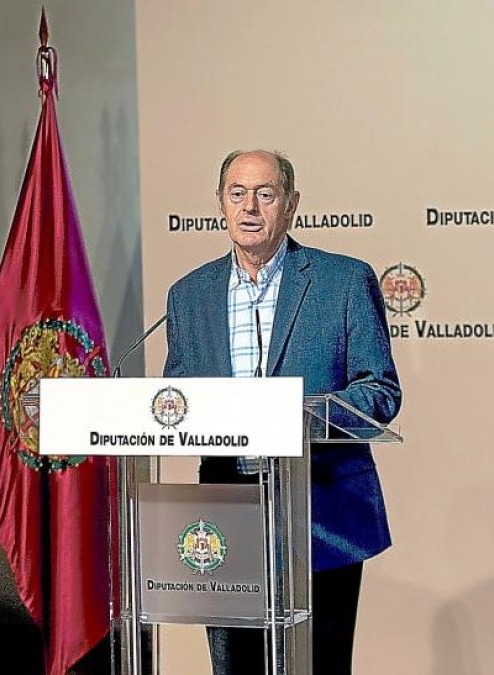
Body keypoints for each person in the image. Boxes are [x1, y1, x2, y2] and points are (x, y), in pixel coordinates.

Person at [163, 149, 401, 675]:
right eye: (237, 194)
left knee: (320, 665)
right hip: (226, 516)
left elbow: (380, 392)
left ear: (290, 204)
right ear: (221, 204)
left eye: (265, 195)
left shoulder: (342, 281)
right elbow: (175, 401)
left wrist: (298, 419)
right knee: (235, 667)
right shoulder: (189, 296)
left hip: (322, 510)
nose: (250, 208)